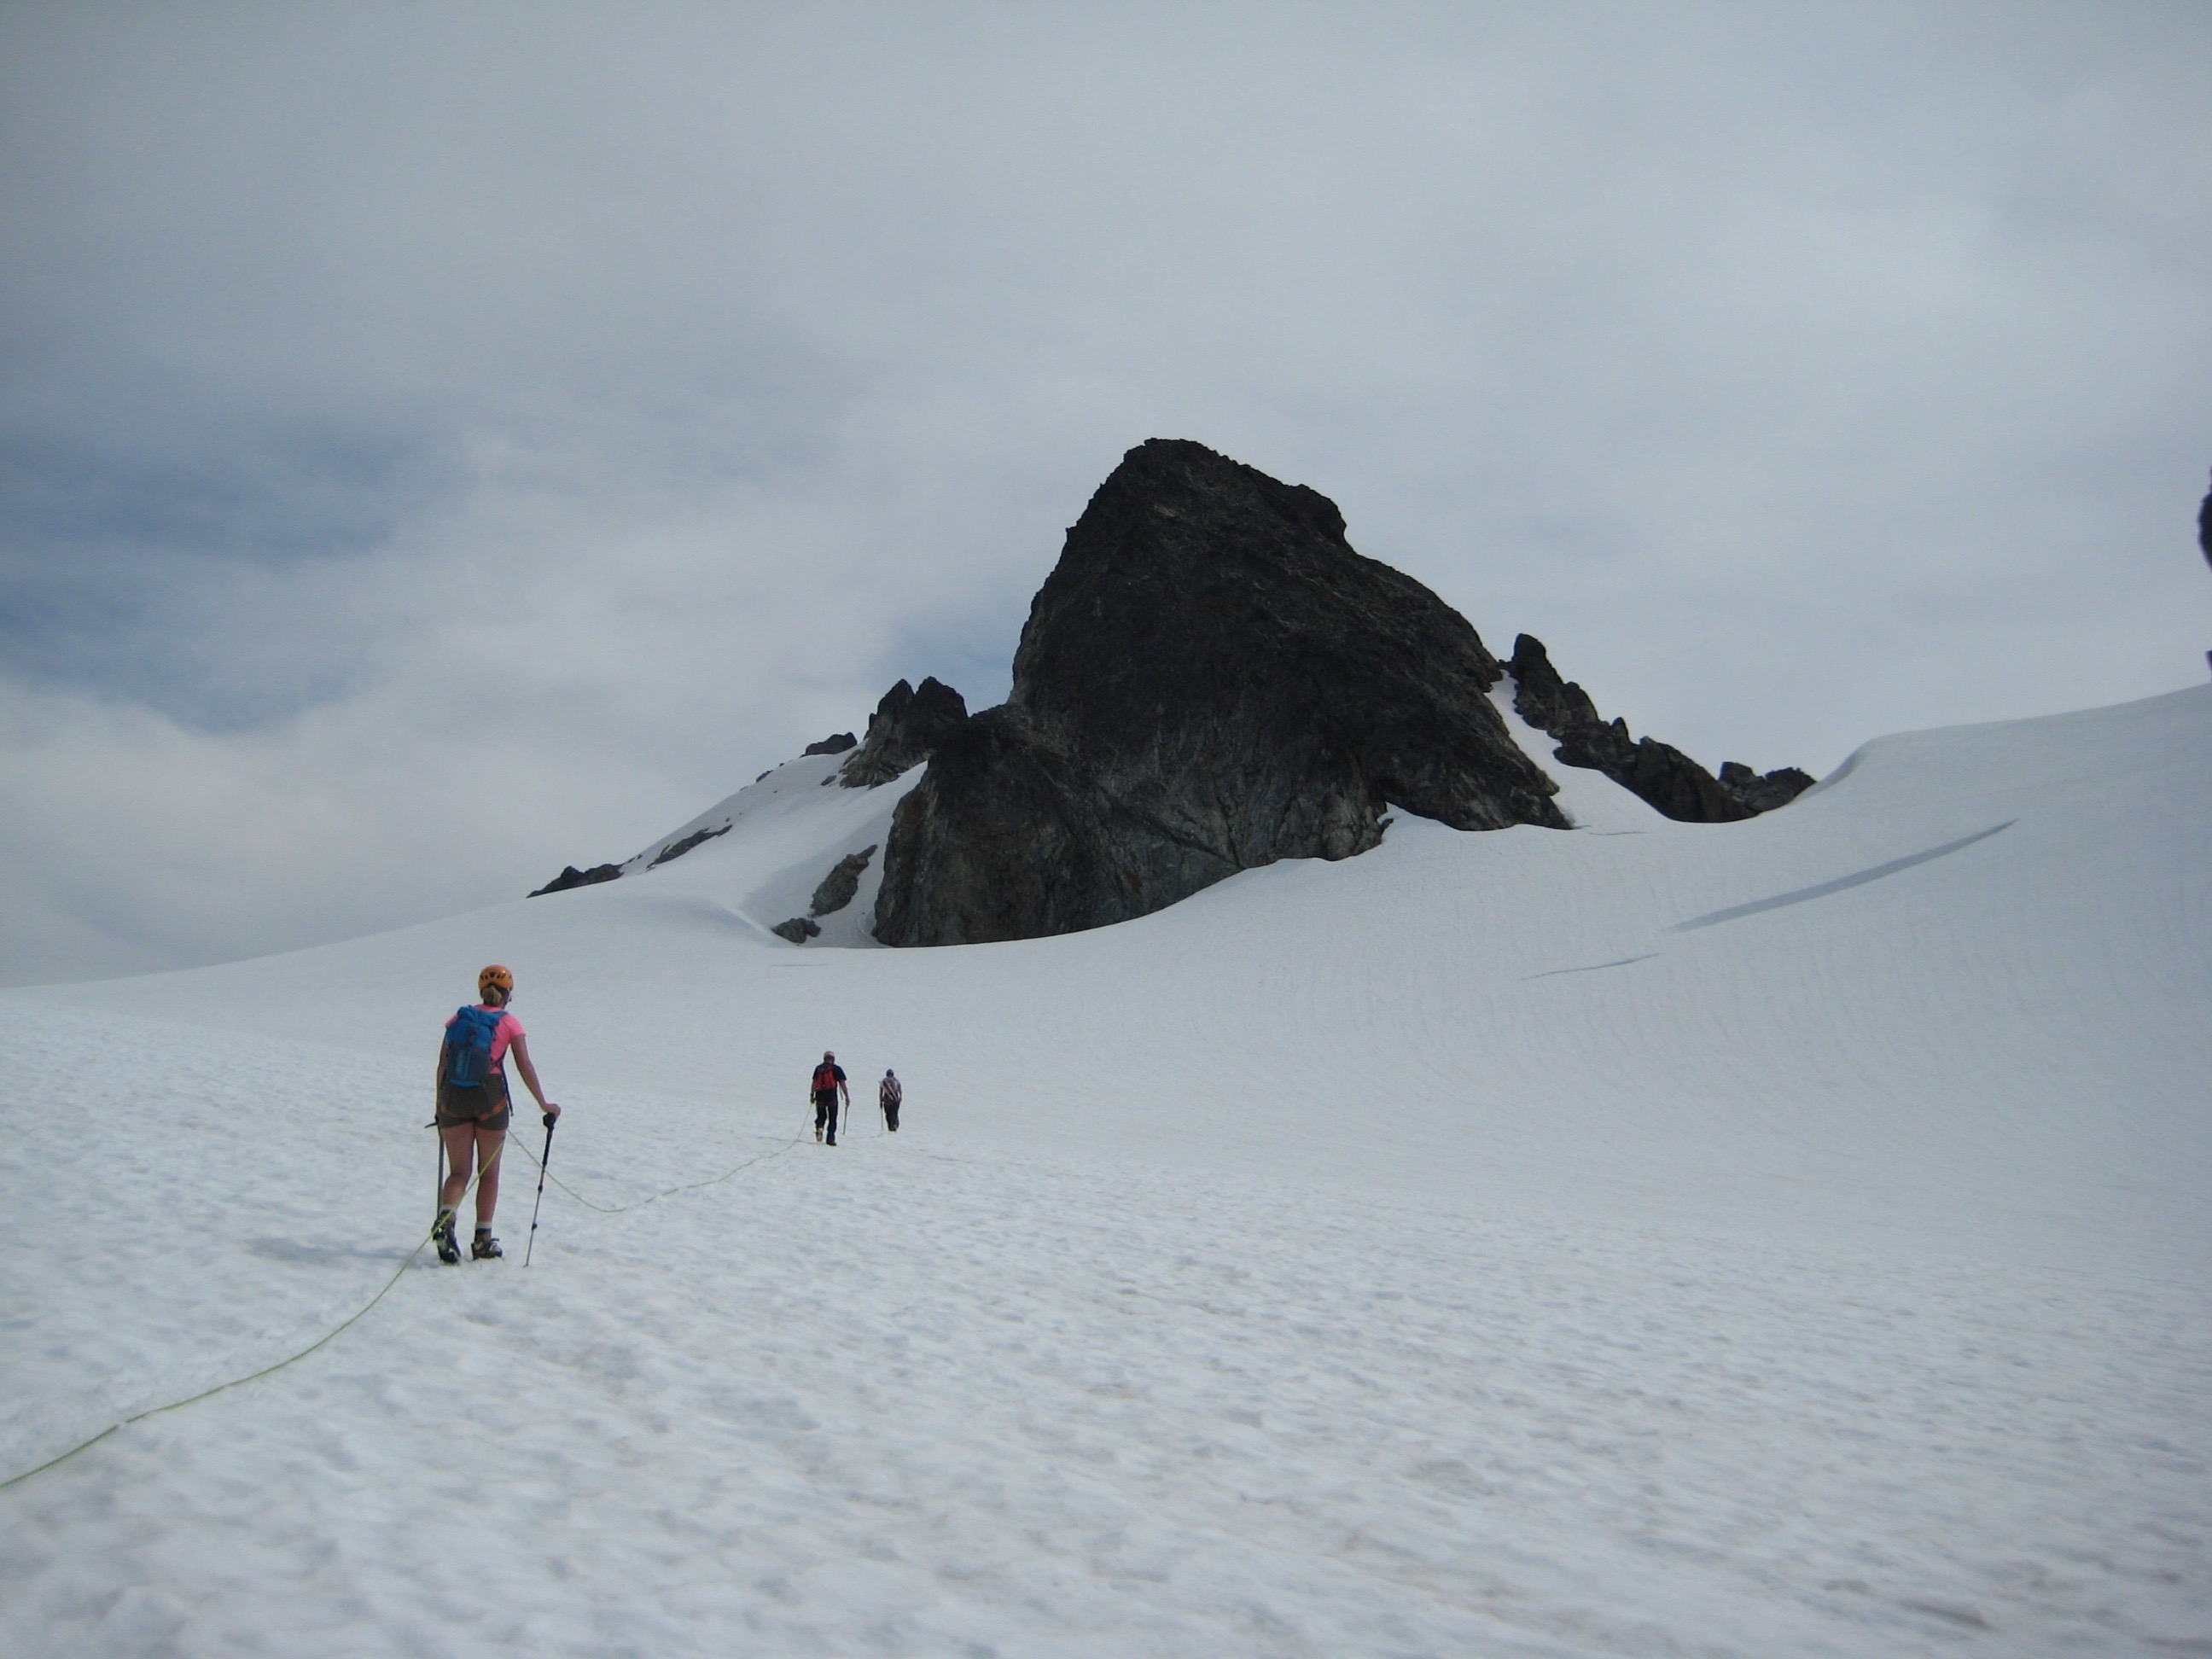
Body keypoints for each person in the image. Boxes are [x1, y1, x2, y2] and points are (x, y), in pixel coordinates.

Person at [434, 964, 559, 1263]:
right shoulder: (510, 1023)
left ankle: (445, 1222)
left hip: (453, 1097)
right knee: (488, 1174)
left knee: (458, 1172)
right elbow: (524, 1065)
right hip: (491, 1098)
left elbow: (442, 1063)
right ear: (508, 993)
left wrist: (440, 1104)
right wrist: (544, 1104)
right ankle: (482, 1240)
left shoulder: (458, 1019)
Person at [811, 1051, 848, 1145]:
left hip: (820, 1096)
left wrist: (812, 1095)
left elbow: (814, 1082)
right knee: (832, 1118)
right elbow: (842, 1083)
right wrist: (847, 1096)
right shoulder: (836, 1069)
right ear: (833, 1059)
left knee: (821, 1116)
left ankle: (819, 1127)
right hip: (831, 1096)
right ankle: (830, 1139)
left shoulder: (818, 1069)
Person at [879, 1068, 902, 1132]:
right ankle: (894, 1125)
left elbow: (881, 1092)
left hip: (887, 1098)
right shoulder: (896, 1081)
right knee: (894, 1113)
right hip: (895, 1097)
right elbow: (900, 1090)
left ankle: (890, 1127)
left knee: (888, 1114)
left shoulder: (884, 1081)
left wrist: (880, 1101)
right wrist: (900, 1097)